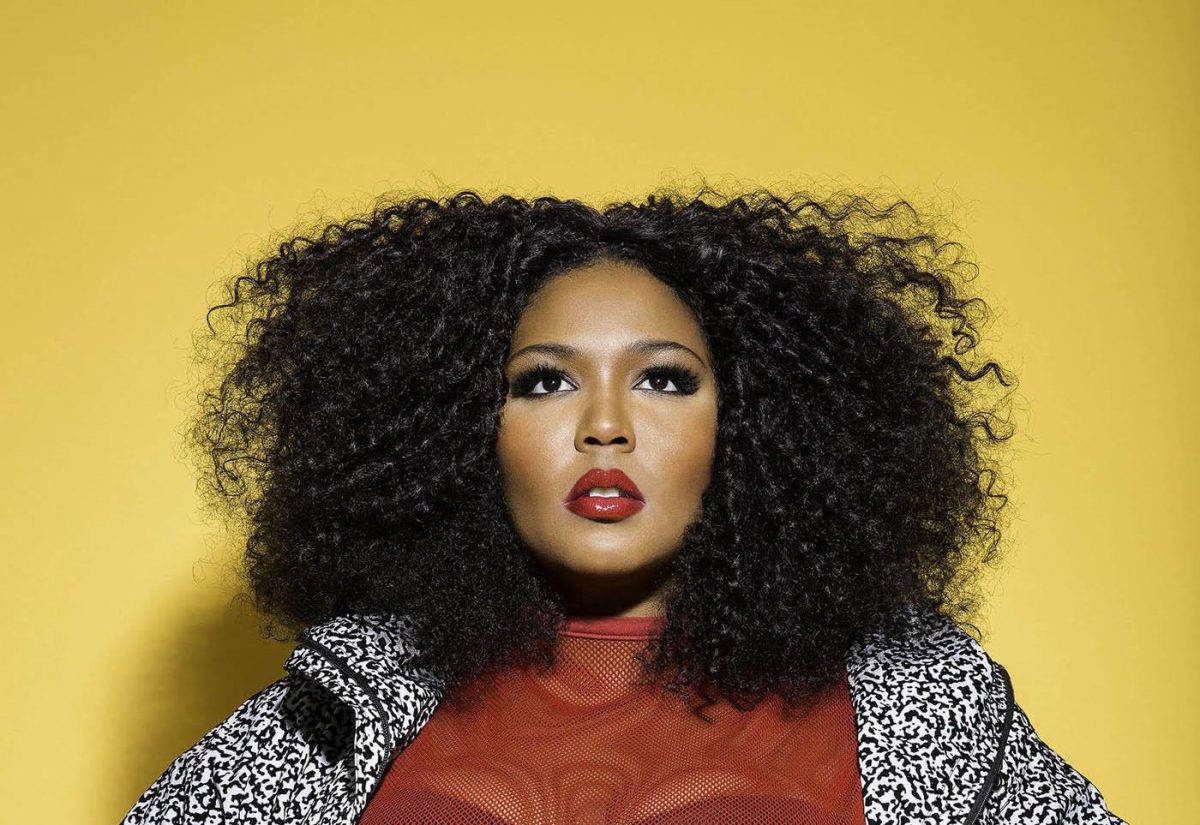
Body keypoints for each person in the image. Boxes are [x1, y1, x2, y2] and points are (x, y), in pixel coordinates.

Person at [120, 188, 1127, 824]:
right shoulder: (344, 704)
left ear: (752, 423)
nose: (605, 426)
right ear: (464, 429)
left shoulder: (917, 705)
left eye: (665, 380)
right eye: (545, 383)